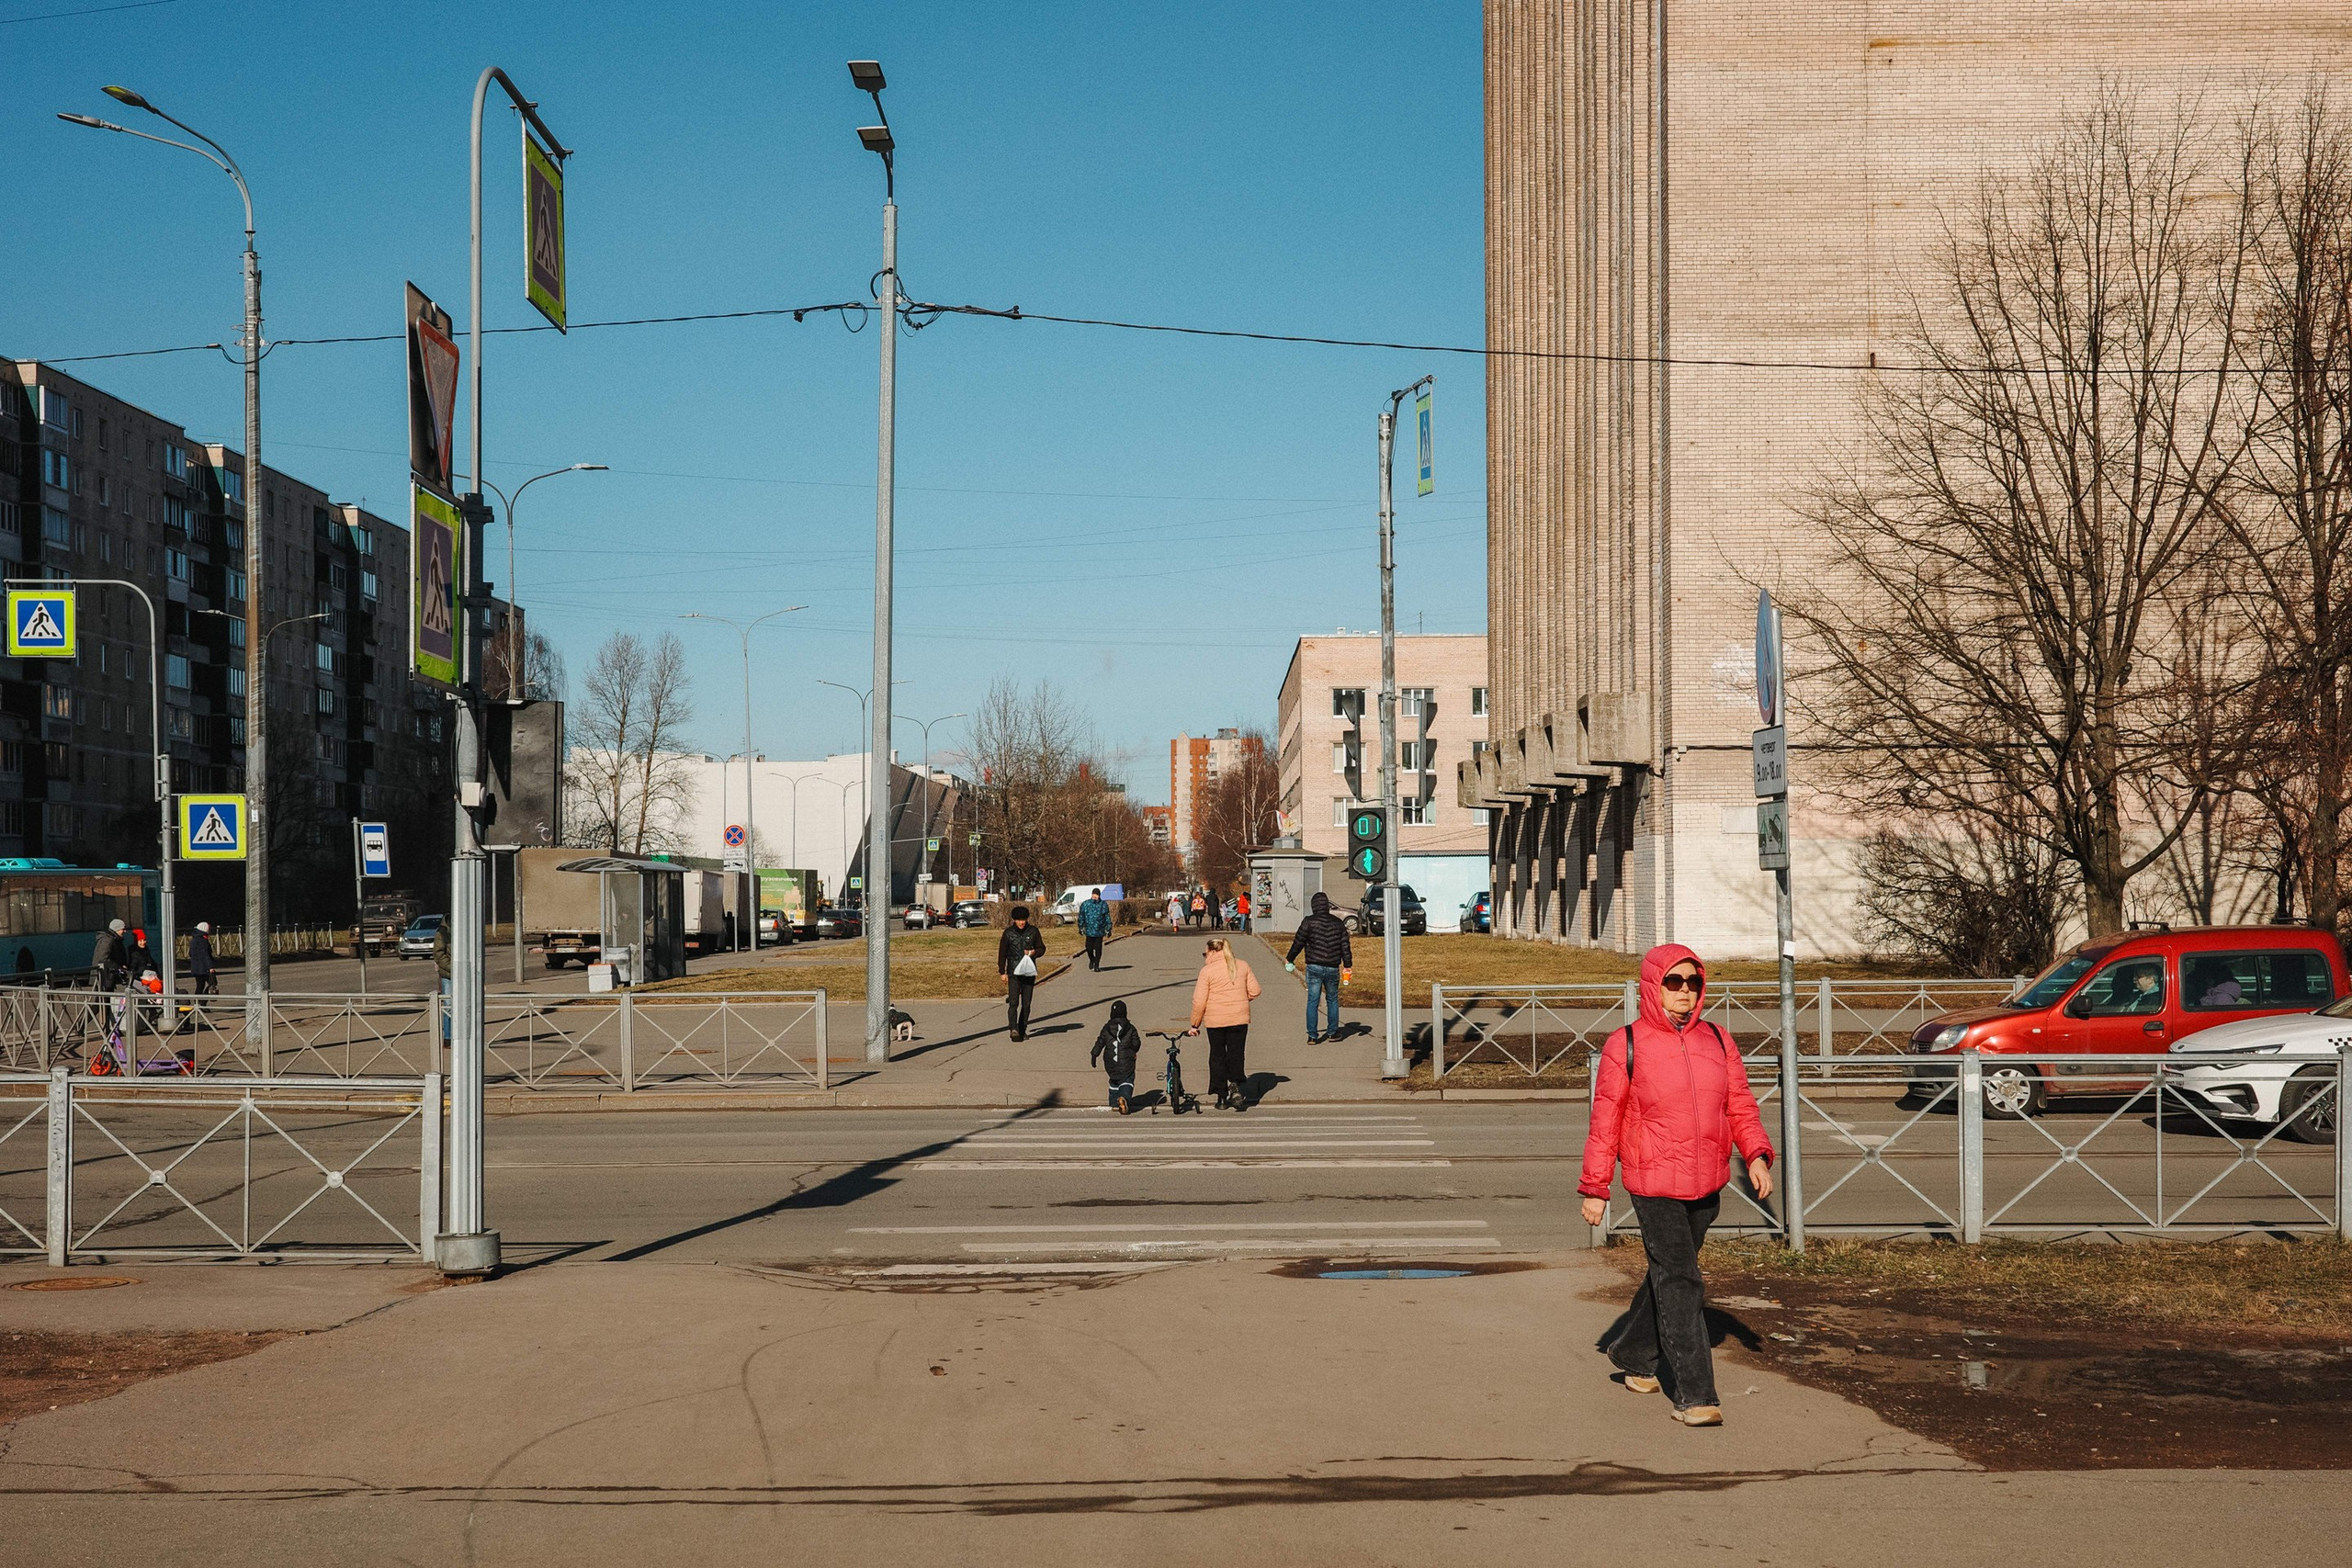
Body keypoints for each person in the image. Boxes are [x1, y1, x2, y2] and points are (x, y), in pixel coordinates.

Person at [1578, 944, 1775, 1429]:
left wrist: (1755, 1154)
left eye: (1692, 981)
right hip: (1654, 1182)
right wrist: (1595, 1187)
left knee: (1669, 1273)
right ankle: (1695, 1394)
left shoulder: (1718, 1040)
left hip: (1707, 1182)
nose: (1685, 990)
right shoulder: (1626, 1043)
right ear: (1653, 985)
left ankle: (1633, 1352)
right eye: (1674, 981)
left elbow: (1740, 1105)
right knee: (1683, 1281)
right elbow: (1605, 1122)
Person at [1188, 936, 1262, 1111]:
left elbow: (1199, 1002)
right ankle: (1235, 1084)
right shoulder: (1242, 965)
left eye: (1204, 953)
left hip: (1215, 1021)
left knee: (1217, 1056)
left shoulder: (1207, 972)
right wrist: (1241, 1001)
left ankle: (1221, 1097)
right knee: (1236, 1053)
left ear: (1213, 952)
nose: (1205, 957)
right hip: (1239, 1019)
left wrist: (1195, 1024)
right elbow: (1255, 990)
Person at [1285, 891, 1354, 1044]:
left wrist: (1290, 958)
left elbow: (1298, 942)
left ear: (1314, 906)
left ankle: (1312, 1036)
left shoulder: (1309, 922)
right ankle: (1333, 1032)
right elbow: (1345, 946)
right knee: (1332, 999)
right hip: (1332, 967)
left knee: (1313, 1000)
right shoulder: (1338, 923)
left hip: (1314, 966)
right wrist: (1347, 965)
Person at [999, 906, 1046, 1042]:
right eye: (1019, 920)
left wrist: (1033, 952)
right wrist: (1002, 972)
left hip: (1028, 972)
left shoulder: (1033, 932)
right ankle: (1013, 1028)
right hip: (1013, 972)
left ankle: (1022, 1028)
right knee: (1013, 1002)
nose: (1022, 923)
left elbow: (1042, 948)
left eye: (1024, 920)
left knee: (1026, 1004)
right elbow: (1002, 953)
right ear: (1014, 920)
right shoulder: (1008, 933)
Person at [1091, 998, 1143, 1113]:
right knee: (1127, 1080)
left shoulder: (1106, 1028)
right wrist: (1133, 1050)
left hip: (1110, 1062)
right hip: (1126, 1061)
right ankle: (1123, 1098)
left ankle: (1114, 1103)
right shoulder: (1130, 1028)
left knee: (1114, 1081)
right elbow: (1136, 1043)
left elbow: (1100, 1041)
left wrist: (1094, 1054)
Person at [1078, 889, 1113, 972]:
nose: (1095, 896)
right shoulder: (1086, 904)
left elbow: (1107, 917)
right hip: (1089, 930)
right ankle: (1092, 959)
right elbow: (1081, 916)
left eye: (1096, 894)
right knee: (1088, 948)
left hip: (1099, 930)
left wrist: (1108, 928)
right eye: (1094, 894)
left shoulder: (1103, 905)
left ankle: (1097, 965)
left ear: (1099, 895)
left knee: (1098, 948)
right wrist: (1080, 927)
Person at [91, 918, 127, 991]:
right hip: (105, 976)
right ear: (117, 929)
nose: (125, 931)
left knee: (104, 999)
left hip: (106, 975)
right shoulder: (108, 940)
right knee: (103, 999)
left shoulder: (110, 939)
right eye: (123, 929)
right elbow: (104, 958)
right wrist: (118, 967)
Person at [188, 921, 218, 997]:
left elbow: (190, 954)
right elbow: (206, 955)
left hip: (196, 967)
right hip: (204, 968)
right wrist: (211, 967)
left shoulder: (194, 939)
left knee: (200, 986)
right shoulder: (203, 941)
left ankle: (198, 1003)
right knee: (212, 983)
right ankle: (202, 1003)